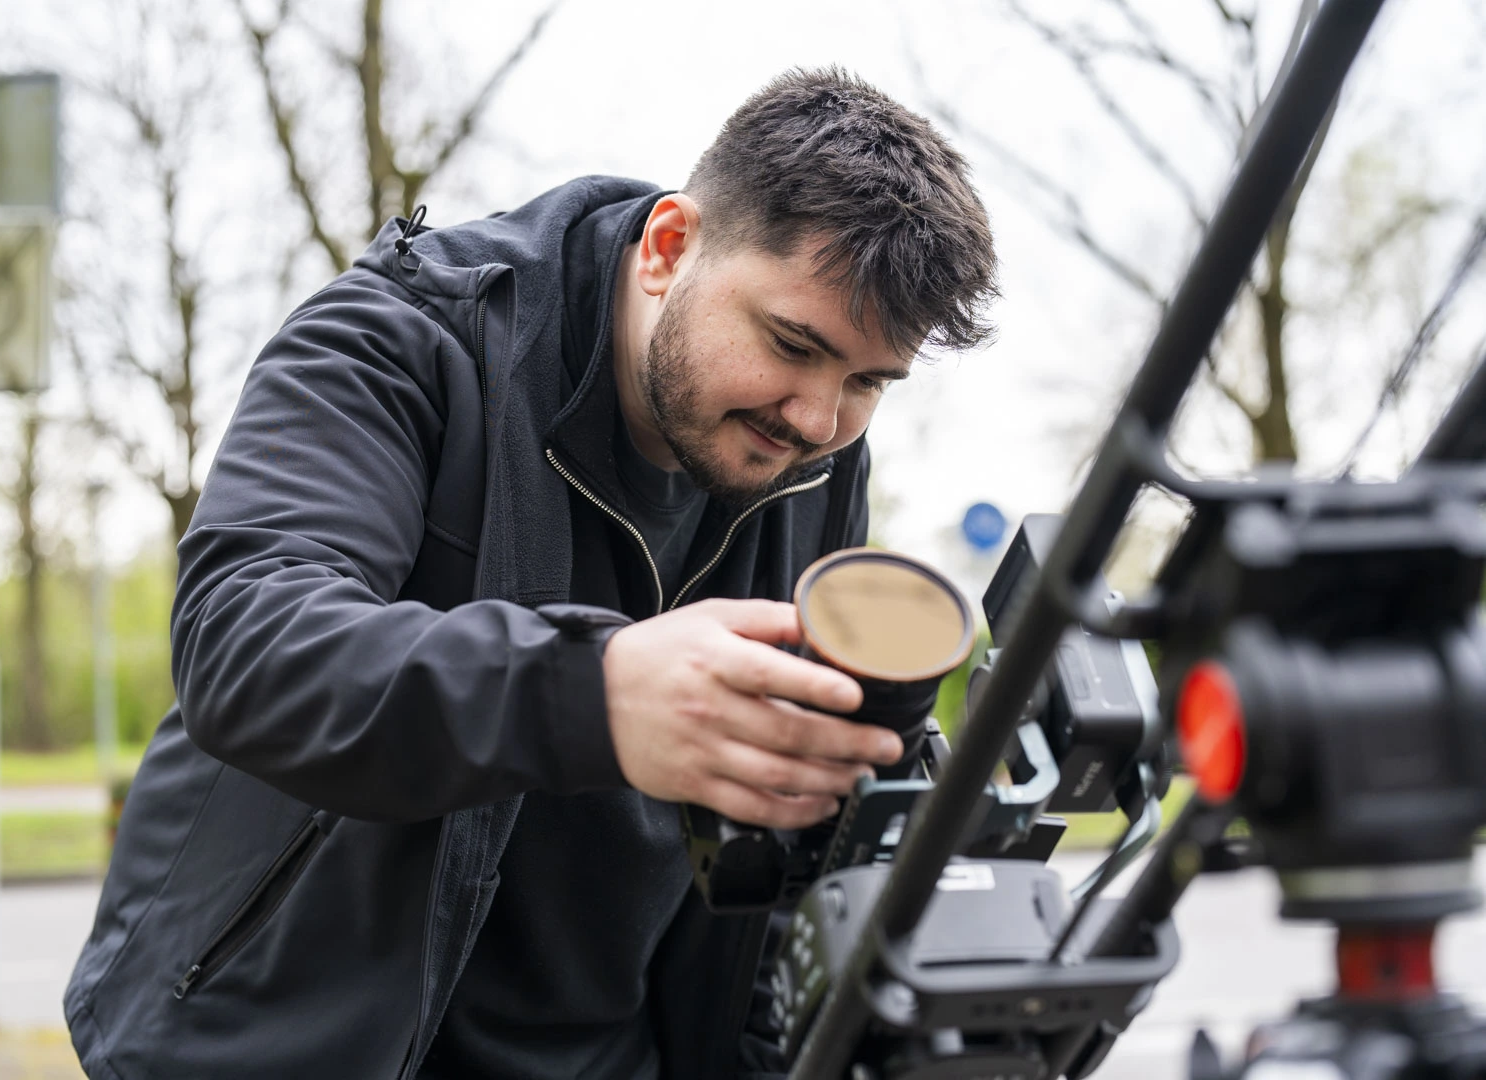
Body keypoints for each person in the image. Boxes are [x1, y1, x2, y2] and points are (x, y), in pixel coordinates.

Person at [64, 66, 997, 1080]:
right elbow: (248, 647)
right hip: (295, 1045)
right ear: (670, 247)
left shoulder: (816, 459)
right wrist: (593, 691)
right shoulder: (401, 338)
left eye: (868, 382)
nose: (817, 420)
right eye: (791, 345)